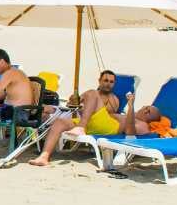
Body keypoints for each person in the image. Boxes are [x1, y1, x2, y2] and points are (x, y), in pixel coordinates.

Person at [28, 71, 161, 166]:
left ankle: (81, 127)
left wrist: (131, 107)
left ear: (149, 118)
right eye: (146, 106)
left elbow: (130, 133)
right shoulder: (126, 115)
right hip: (93, 122)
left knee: (92, 93)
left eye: (148, 110)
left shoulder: (142, 125)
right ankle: (44, 156)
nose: (144, 108)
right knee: (60, 122)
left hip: (109, 127)